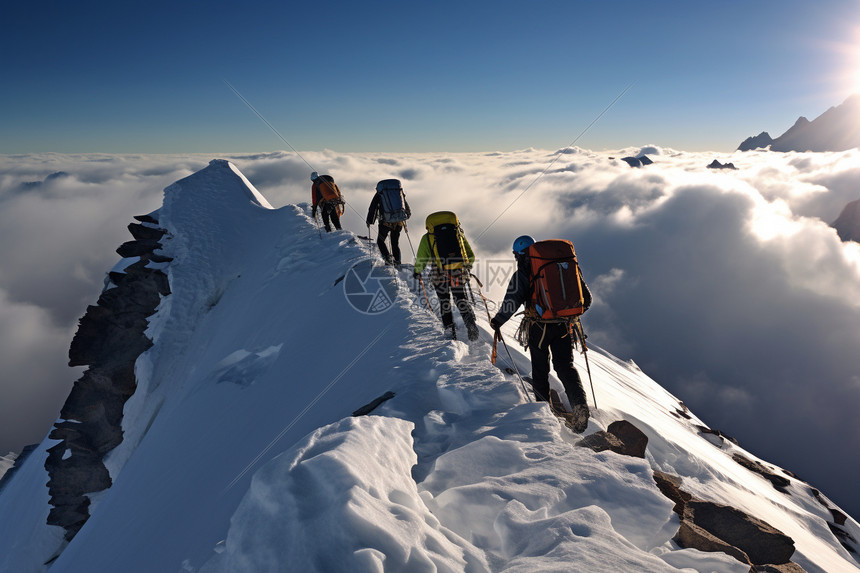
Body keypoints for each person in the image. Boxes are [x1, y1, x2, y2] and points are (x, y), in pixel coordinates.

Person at [490, 235, 593, 431]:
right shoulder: (564, 265)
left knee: (540, 369)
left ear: (519, 254)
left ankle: (543, 413)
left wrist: (497, 321)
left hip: (539, 327)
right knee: (565, 366)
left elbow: (512, 300)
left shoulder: (523, 273)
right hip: (564, 326)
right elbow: (586, 300)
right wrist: (566, 314)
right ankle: (579, 404)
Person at [413, 212, 479, 341]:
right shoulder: (457, 234)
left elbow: (422, 258)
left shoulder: (427, 238)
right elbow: (469, 254)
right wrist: (467, 266)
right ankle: (470, 322)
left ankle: (450, 331)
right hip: (457, 272)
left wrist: (417, 271)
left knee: (444, 302)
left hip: (439, 274)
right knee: (460, 298)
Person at [366, 179, 411, 267]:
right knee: (395, 242)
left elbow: (373, 208)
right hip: (398, 222)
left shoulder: (380, 194)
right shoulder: (399, 193)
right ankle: (397, 261)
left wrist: (370, 221)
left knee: (380, 241)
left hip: (385, 223)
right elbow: (405, 206)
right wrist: (406, 215)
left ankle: (388, 258)